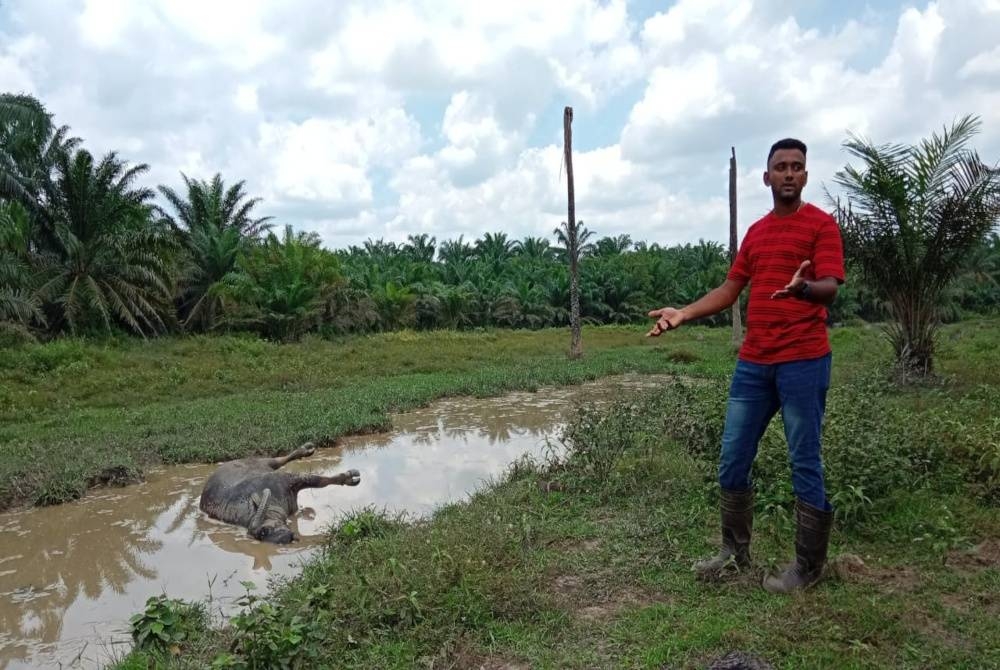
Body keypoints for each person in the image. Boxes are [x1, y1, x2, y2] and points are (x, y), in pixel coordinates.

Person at [646, 138, 845, 593]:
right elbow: (730, 288)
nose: (790, 174)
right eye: (781, 167)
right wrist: (683, 313)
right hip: (754, 364)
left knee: (805, 461)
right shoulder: (756, 233)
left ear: (806, 176)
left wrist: (803, 289)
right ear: (767, 177)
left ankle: (808, 568)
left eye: (797, 167)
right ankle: (734, 552)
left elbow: (831, 286)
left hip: (804, 360)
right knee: (732, 458)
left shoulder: (822, 226)